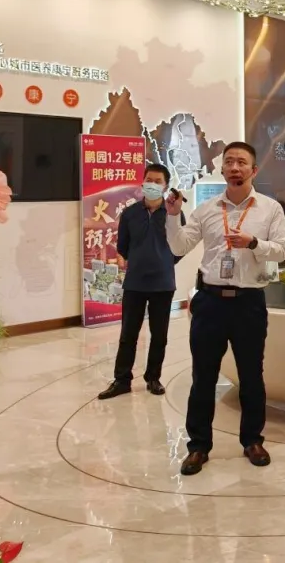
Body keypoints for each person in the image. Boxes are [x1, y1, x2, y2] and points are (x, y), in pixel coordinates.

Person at [165, 142, 285, 476]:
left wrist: (253, 243)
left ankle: (252, 440)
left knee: (251, 376)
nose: (235, 167)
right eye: (230, 162)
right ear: (222, 169)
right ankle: (198, 446)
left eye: (242, 162)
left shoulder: (270, 209)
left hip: (249, 303)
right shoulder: (206, 209)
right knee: (202, 377)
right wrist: (173, 215)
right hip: (210, 302)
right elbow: (179, 245)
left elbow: (281, 251)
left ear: (253, 170)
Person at [98, 164, 183, 400]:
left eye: (158, 181)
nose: (152, 184)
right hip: (135, 282)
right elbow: (123, 246)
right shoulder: (130, 213)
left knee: (159, 335)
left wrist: (164, 261)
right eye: (149, 180)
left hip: (163, 283)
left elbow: (180, 245)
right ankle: (122, 380)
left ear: (166, 186)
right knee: (128, 334)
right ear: (142, 182)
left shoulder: (173, 213)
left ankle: (153, 377)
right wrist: (139, 260)